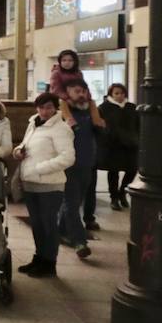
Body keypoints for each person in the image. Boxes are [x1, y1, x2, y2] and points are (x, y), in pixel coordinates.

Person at [12, 92, 76, 278]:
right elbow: (25, 145)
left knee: (48, 225)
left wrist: (41, 168)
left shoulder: (61, 129)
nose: (45, 111)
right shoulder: (34, 124)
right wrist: (18, 152)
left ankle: (50, 263)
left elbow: (68, 157)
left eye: (49, 107)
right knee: (38, 225)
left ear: (56, 108)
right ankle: (39, 258)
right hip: (31, 183)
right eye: (41, 107)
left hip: (49, 185)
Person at [58, 79, 104, 256]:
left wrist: (100, 125)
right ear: (67, 92)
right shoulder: (63, 114)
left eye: (83, 91)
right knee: (71, 203)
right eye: (77, 91)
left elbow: (101, 134)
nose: (81, 94)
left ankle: (60, 231)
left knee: (75, 202)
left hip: (87, 163)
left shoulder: (92, 112)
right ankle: (79, 241)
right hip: (68, 164)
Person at [98, 83, 139, 210]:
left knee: (132, 170)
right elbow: (101, 125)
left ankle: (123, 193)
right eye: (116, 93)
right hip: (113, 144)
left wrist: (137, 138)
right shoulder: (104, 107)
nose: (119, 96)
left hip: (130, 144)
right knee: (113, 171)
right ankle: (114, 197)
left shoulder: (132, 107)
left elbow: (138, 124)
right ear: (111, 94)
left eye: (122, 93)